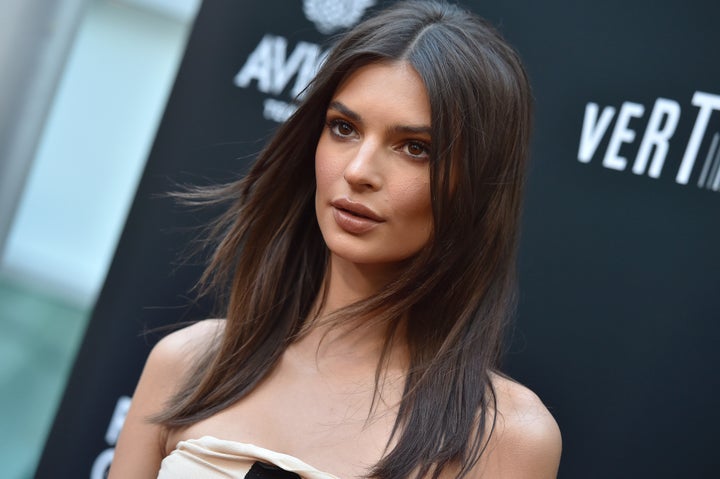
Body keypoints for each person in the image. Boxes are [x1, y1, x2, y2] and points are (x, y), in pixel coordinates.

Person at [109, 1, 561, 478]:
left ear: (477, 183)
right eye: (344, 128)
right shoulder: (188, 364)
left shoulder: (506, 439)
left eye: (415, 148)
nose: (359, 171)